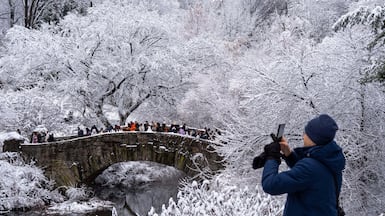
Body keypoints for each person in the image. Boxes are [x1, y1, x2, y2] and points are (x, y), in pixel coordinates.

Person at [261, 114, 346, 216]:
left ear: (314, 139)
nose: (303, 136)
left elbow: (270, 184)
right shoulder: (331, 159)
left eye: (306, 133)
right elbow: (309, 174)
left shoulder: (310, 168)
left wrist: (272, 157)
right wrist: (289, 154)